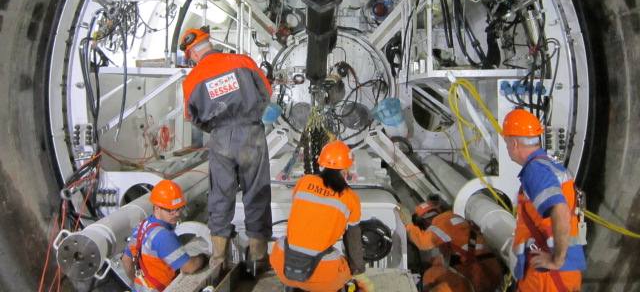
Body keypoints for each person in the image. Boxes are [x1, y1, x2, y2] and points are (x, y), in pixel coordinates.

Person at [180, 27, 273, 278]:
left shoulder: (192, 80)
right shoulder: (242, 61)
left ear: (192, 54)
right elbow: (266, 92)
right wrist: (251, 116)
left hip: (220, 138)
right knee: (257, 192)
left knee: (220, 195)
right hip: (251, 132)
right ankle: (258, 257)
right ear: (209, 44)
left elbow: (192, 117)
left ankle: (218, 260)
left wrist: (218, 127)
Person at [270, 140, 374, 292]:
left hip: (282, 267)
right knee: (343, 269)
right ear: (346, 169)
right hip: (324, 279)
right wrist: (358, 272)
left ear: (322, 164)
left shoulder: (304, 182)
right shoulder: (351, 198)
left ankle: (294, 286)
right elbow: (353, 241)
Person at [502, 108, 586, 291]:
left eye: (506, 143)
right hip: (561, 274)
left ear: (514, 143)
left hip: (547, 277)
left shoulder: (535, 171)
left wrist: (556, 260)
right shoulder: (551, 166)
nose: (507, 148)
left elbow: (560, 210)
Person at [399, 195, 503, 292]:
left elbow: (422, 243)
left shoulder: (439, 223)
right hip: (494, 271)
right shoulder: (455, 218)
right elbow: (454, 252)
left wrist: (408, 224)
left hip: (475, 275)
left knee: (430, 276)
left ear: (424, 221)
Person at [121, 180, 205, 291]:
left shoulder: (142, 226)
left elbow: (126, 260)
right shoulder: (163, 236)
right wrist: (203, 257)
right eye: (171, 210)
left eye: (179, 208)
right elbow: (190, 267)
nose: (177, 214)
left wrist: (138, 281)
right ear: (157, 208)